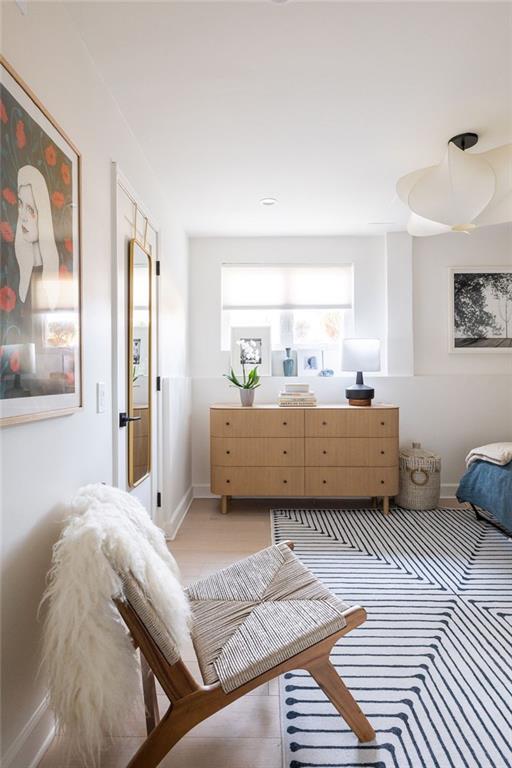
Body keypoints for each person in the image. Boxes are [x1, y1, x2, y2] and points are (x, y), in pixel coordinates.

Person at [15, 165, 59, 310]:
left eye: (30, 209)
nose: (23, 216)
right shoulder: (22, 277)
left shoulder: (48, 282)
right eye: (20, 204)